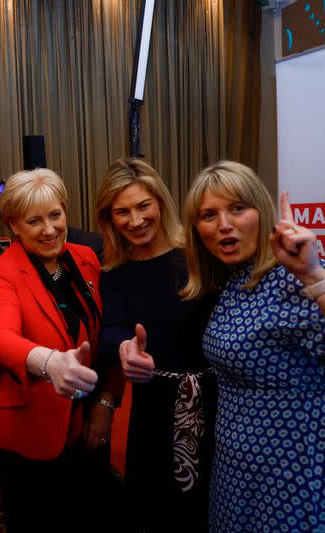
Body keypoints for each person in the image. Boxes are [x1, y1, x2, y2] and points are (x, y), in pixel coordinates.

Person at [181, 160, 325, 531]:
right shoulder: (232, 279)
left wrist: (315, 276)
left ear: (262, 212)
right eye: (209, 214)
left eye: (237, 208)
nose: (224, 224)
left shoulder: (296, 276)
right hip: (238, 472)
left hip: (299, 470)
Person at [0, 168, 120, 531]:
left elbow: (107, 335)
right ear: (14, 225)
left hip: (87, 425)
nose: (48, 229)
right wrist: (49, 362)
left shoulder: (86, 259)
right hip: (32, 434)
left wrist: (105, 403)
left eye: (55, 215)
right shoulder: (1, 271)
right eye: (34, 221)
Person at [96, 157, 218, 531]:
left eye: (143, 206)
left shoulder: (199, 254)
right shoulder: (114, 269)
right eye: (122, 212)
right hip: (152, 409)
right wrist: (122, 348)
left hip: (217, 403)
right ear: (109, 217)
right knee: (152, 511)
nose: (135, 220)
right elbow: (111, 328)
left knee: (208, 510)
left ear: (161, 202)